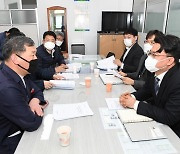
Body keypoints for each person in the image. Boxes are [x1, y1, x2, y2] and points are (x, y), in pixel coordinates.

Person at [119, 34, 180, 137]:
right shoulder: (155, 70)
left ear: (170, 61)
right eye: (150, 53)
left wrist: (135, 104)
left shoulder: (177, 81)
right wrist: (132, 96)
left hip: (174, 132)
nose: (149, 58)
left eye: (154, 55)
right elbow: (147, 90)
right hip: (159, 123)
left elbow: (169, 116)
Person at [0, 36, 48, 153]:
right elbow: (32, 123)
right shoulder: (6, 87)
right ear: (15, 59)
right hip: (10, 141)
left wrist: (35, 101)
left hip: (21, 129)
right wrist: (39, 108)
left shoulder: (21, 74)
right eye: (32, 55)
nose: (36, 59)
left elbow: (36, 90)